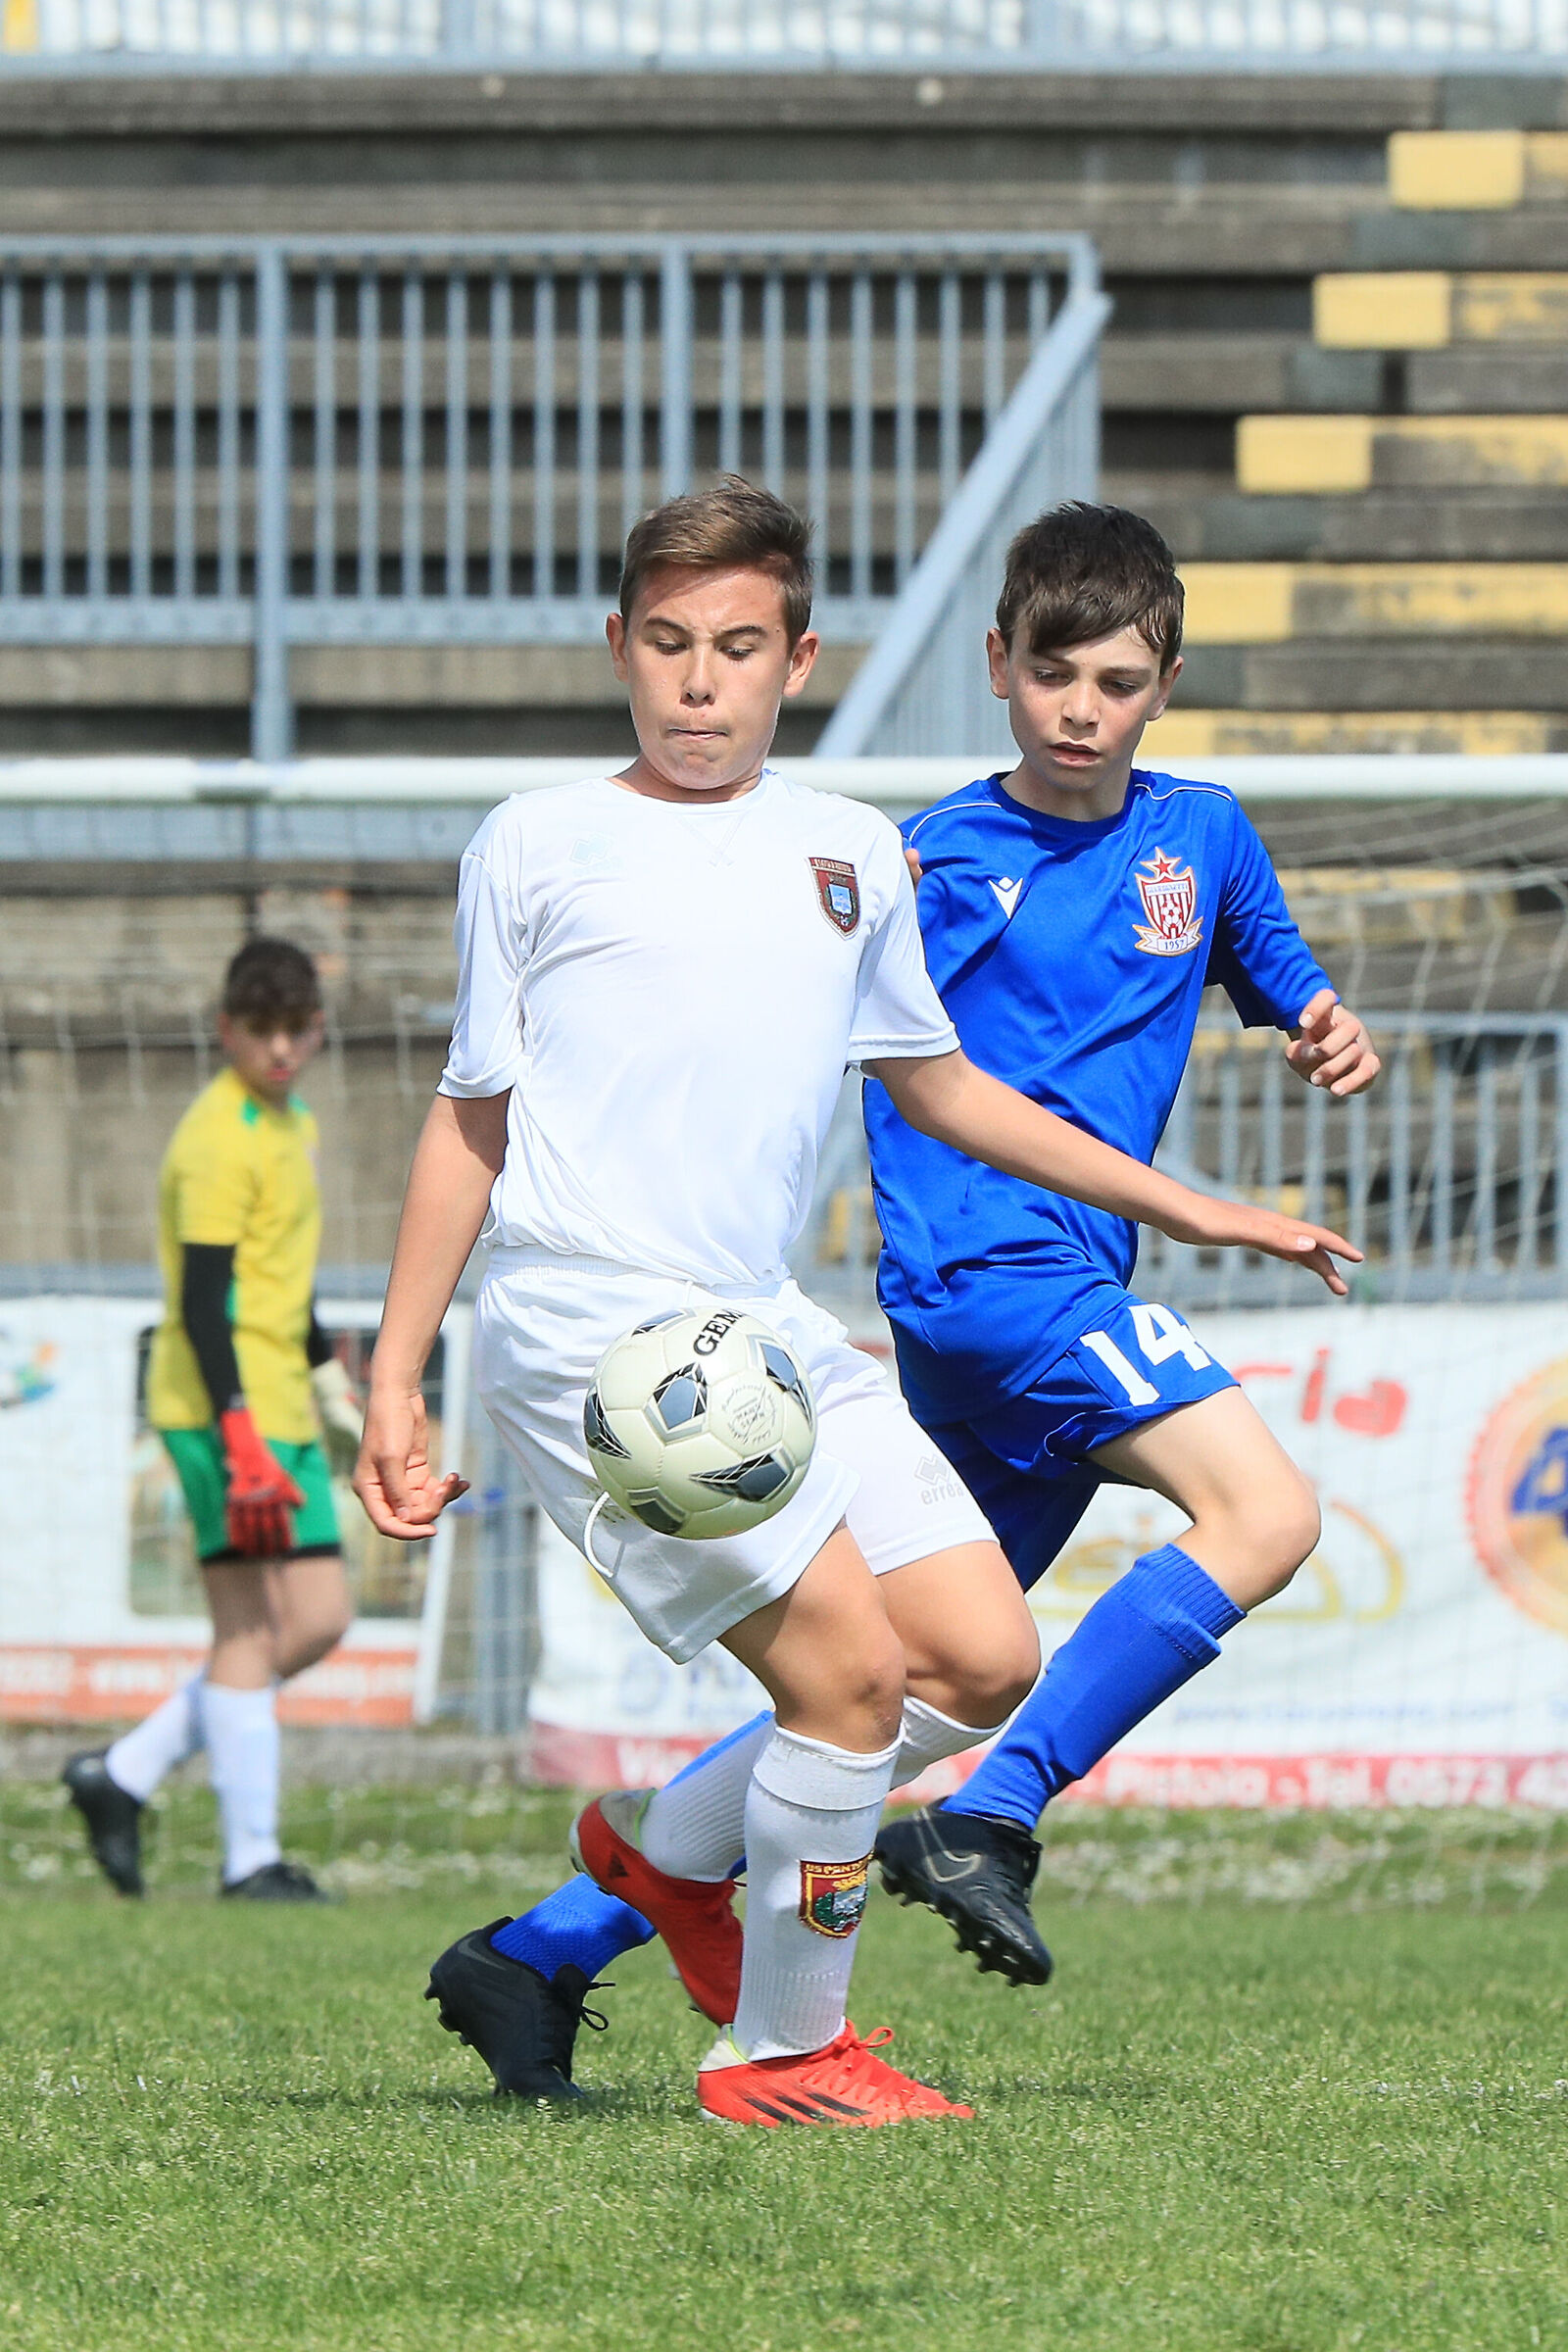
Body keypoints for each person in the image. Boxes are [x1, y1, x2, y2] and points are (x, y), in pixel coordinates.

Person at [356, 477, 1358, 2125]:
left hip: (763, 1326)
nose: (699, 681)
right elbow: (472, 1117)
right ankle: (788, 2054)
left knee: (974, 1656)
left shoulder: (844, 856)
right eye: (667, 643)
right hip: (597, 1332)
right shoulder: (534, 841)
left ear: (797, 660)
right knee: (845, 1682)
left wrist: (1206, 1211)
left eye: (736, 648)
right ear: (618, 647)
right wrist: (400, 1375)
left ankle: (645, 1876)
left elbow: (949, 1087)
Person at [867, 501, 1381, 1982]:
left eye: (1115, 682)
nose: (1080, 710)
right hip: (991, 1277)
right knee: (1268, 1517)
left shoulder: (1202, 836)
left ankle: (556, 1943)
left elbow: (1278, 971)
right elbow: (871, 1053)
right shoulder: (941, 859)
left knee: (904, 1680)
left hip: (1049, 1288)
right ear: (997, 662)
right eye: (1052, 673)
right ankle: (996, 1817)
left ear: (1164, 686)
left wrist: (1323, 1029)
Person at [64, 937, 361, 1902]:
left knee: (317, 1618)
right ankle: (250, 1863)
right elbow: (201, 1302)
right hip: (219, 1412)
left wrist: (332, 1390)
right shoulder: (215, 1136)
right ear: (226, 1029)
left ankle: (125, 1773)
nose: (280, 1050)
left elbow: (288, 1280)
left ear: (315, 1030)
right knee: (245, 1631)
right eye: (260, 1031)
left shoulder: (295, 1122)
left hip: (281, 1403)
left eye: (295, 1031)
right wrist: (237, 1436)